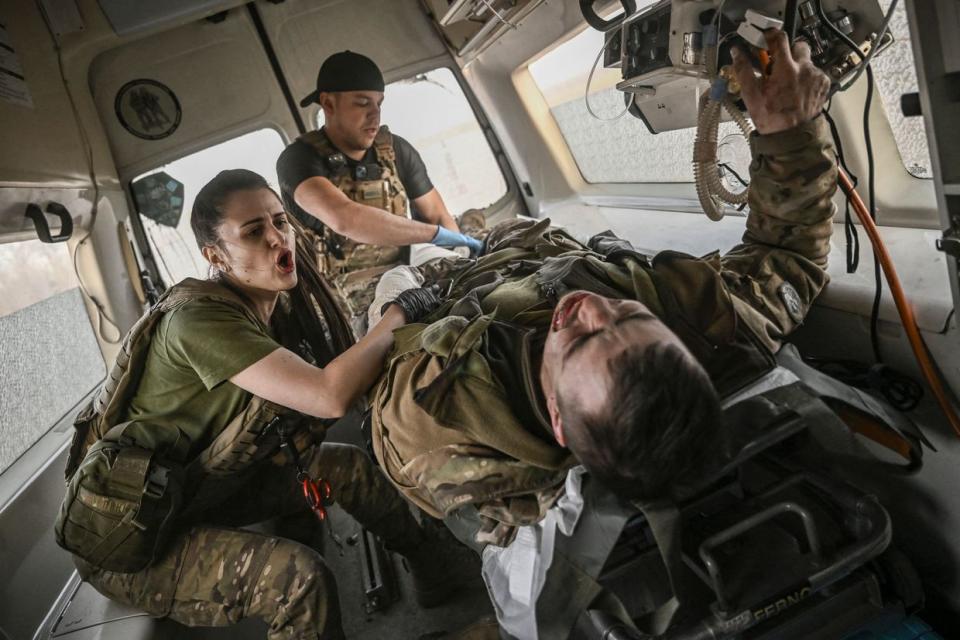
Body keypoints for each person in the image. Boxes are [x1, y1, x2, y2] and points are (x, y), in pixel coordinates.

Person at [365, 29, 836, 547]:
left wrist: (404, 299)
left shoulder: (436, 416)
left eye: (582, 339)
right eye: (630, 317)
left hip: (441, 289)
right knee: (489, 226)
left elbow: (389, 422)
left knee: (412, 255)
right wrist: (788, 131)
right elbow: (790, 258)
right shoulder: (701, 337)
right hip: (528, 242)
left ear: (560, 424)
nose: (588, 308)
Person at [56, 169, 473, 640]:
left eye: (280, 221)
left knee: (346, 466)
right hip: (130, 537)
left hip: (195, 495)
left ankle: (438, 571)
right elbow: (328, 395)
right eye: (254, 232)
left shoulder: (270, 304)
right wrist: (401, 310)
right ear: (215, 255)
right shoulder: (200, 319)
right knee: (298, 581)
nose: (278, 239)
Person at [277, 50, 481, 336]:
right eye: (362, 103)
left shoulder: (395, 150)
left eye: (379, 103)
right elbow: (346, 219)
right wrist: (434, 234)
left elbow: (436, 213)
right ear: (328, 103)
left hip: (407, 272)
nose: (375, 115)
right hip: (341, 301)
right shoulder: (298, 160)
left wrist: (460, 260)